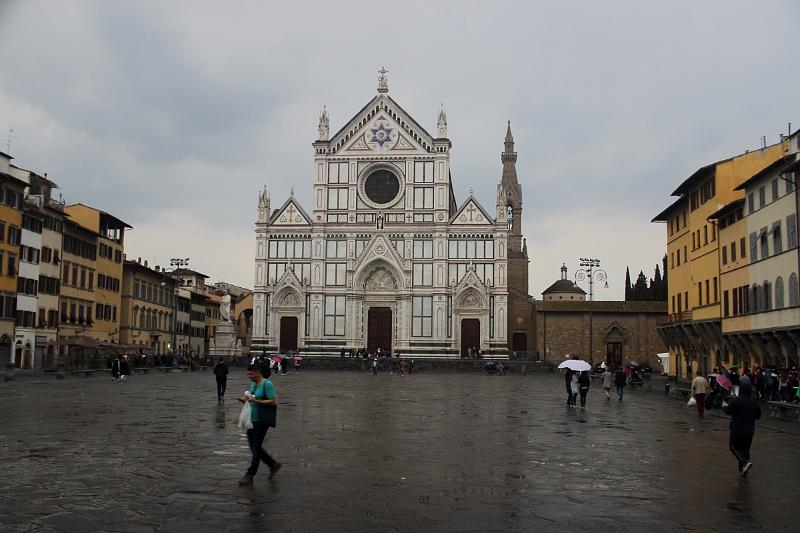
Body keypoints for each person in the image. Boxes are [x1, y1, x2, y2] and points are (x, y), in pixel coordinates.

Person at [239, 363, 281, 485]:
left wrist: (256, 401)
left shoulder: (267, 384)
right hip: (252, 419)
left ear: (258, 372)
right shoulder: (253, 384)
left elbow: (272, 401)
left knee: (256, 447)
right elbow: (252, 397)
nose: (249, 376)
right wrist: (245, 399)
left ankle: (250, 474)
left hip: (262, 420)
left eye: (251, 373)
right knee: (254, 447)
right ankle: (273, 464)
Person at [723, 382, 761, 476]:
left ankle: (744, 462)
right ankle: (744, 470)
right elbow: (758, 416)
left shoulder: (736, 401)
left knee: (733, 447)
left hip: (737, 428)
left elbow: (728, 411)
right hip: (750, 430)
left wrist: (724, 406)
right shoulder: (753, 402)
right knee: (745, 449)